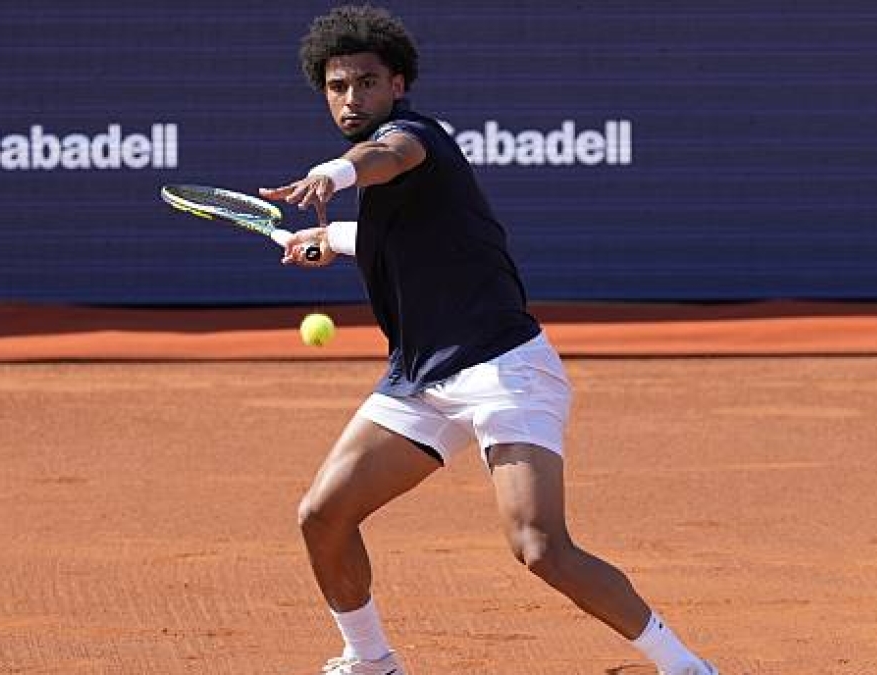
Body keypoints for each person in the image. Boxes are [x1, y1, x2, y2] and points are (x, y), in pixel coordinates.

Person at [258, 6, 719, 675]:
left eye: (366, 82)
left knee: (540, 546)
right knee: (322, 514)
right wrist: (328, 239)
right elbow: (401, 244)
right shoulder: (394, 190)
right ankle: (371, 658)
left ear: (398, 85)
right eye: (337, 86)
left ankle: (684, 665)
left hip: (505, 369)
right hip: (420, 378)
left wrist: (336, 172)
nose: (351, 96)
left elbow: (382, 157)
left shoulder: (417, 138)